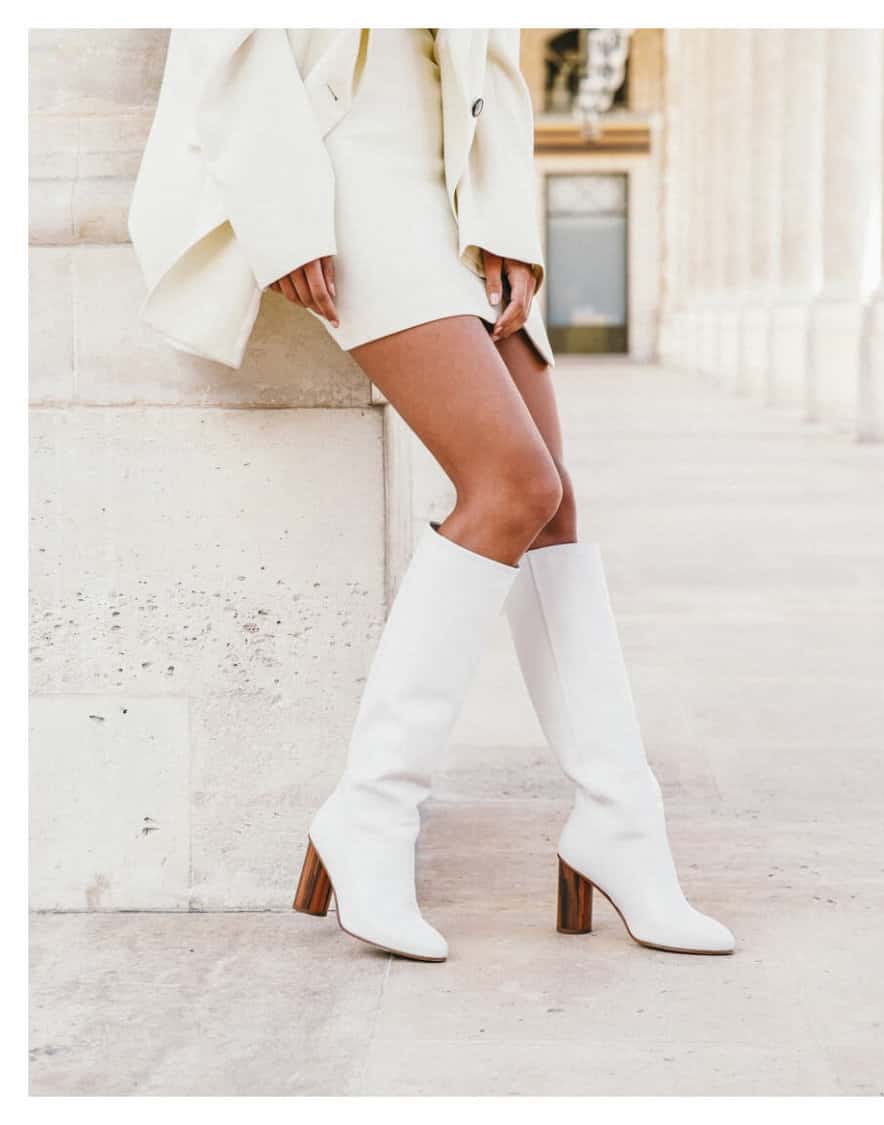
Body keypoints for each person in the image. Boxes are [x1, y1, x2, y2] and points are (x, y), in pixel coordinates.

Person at [127, 29, 733, 961]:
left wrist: (509, 222)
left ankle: (621, 823)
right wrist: (285, 207)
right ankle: (371, 811)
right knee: (512, 483)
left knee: (553, 509)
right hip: (342, 159)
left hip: (457, 166)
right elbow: (230, 27)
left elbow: (491, 49)